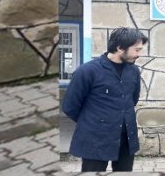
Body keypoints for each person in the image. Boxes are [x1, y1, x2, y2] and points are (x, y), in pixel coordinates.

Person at [61, 27, 148, 172]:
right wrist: (94, 122)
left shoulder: (133, 71)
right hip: (95, 140)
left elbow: (133, 98)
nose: (139, 54)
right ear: (120, 47)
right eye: (137, 50)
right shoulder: (87, 71)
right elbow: (70, 106)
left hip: (126, 138)